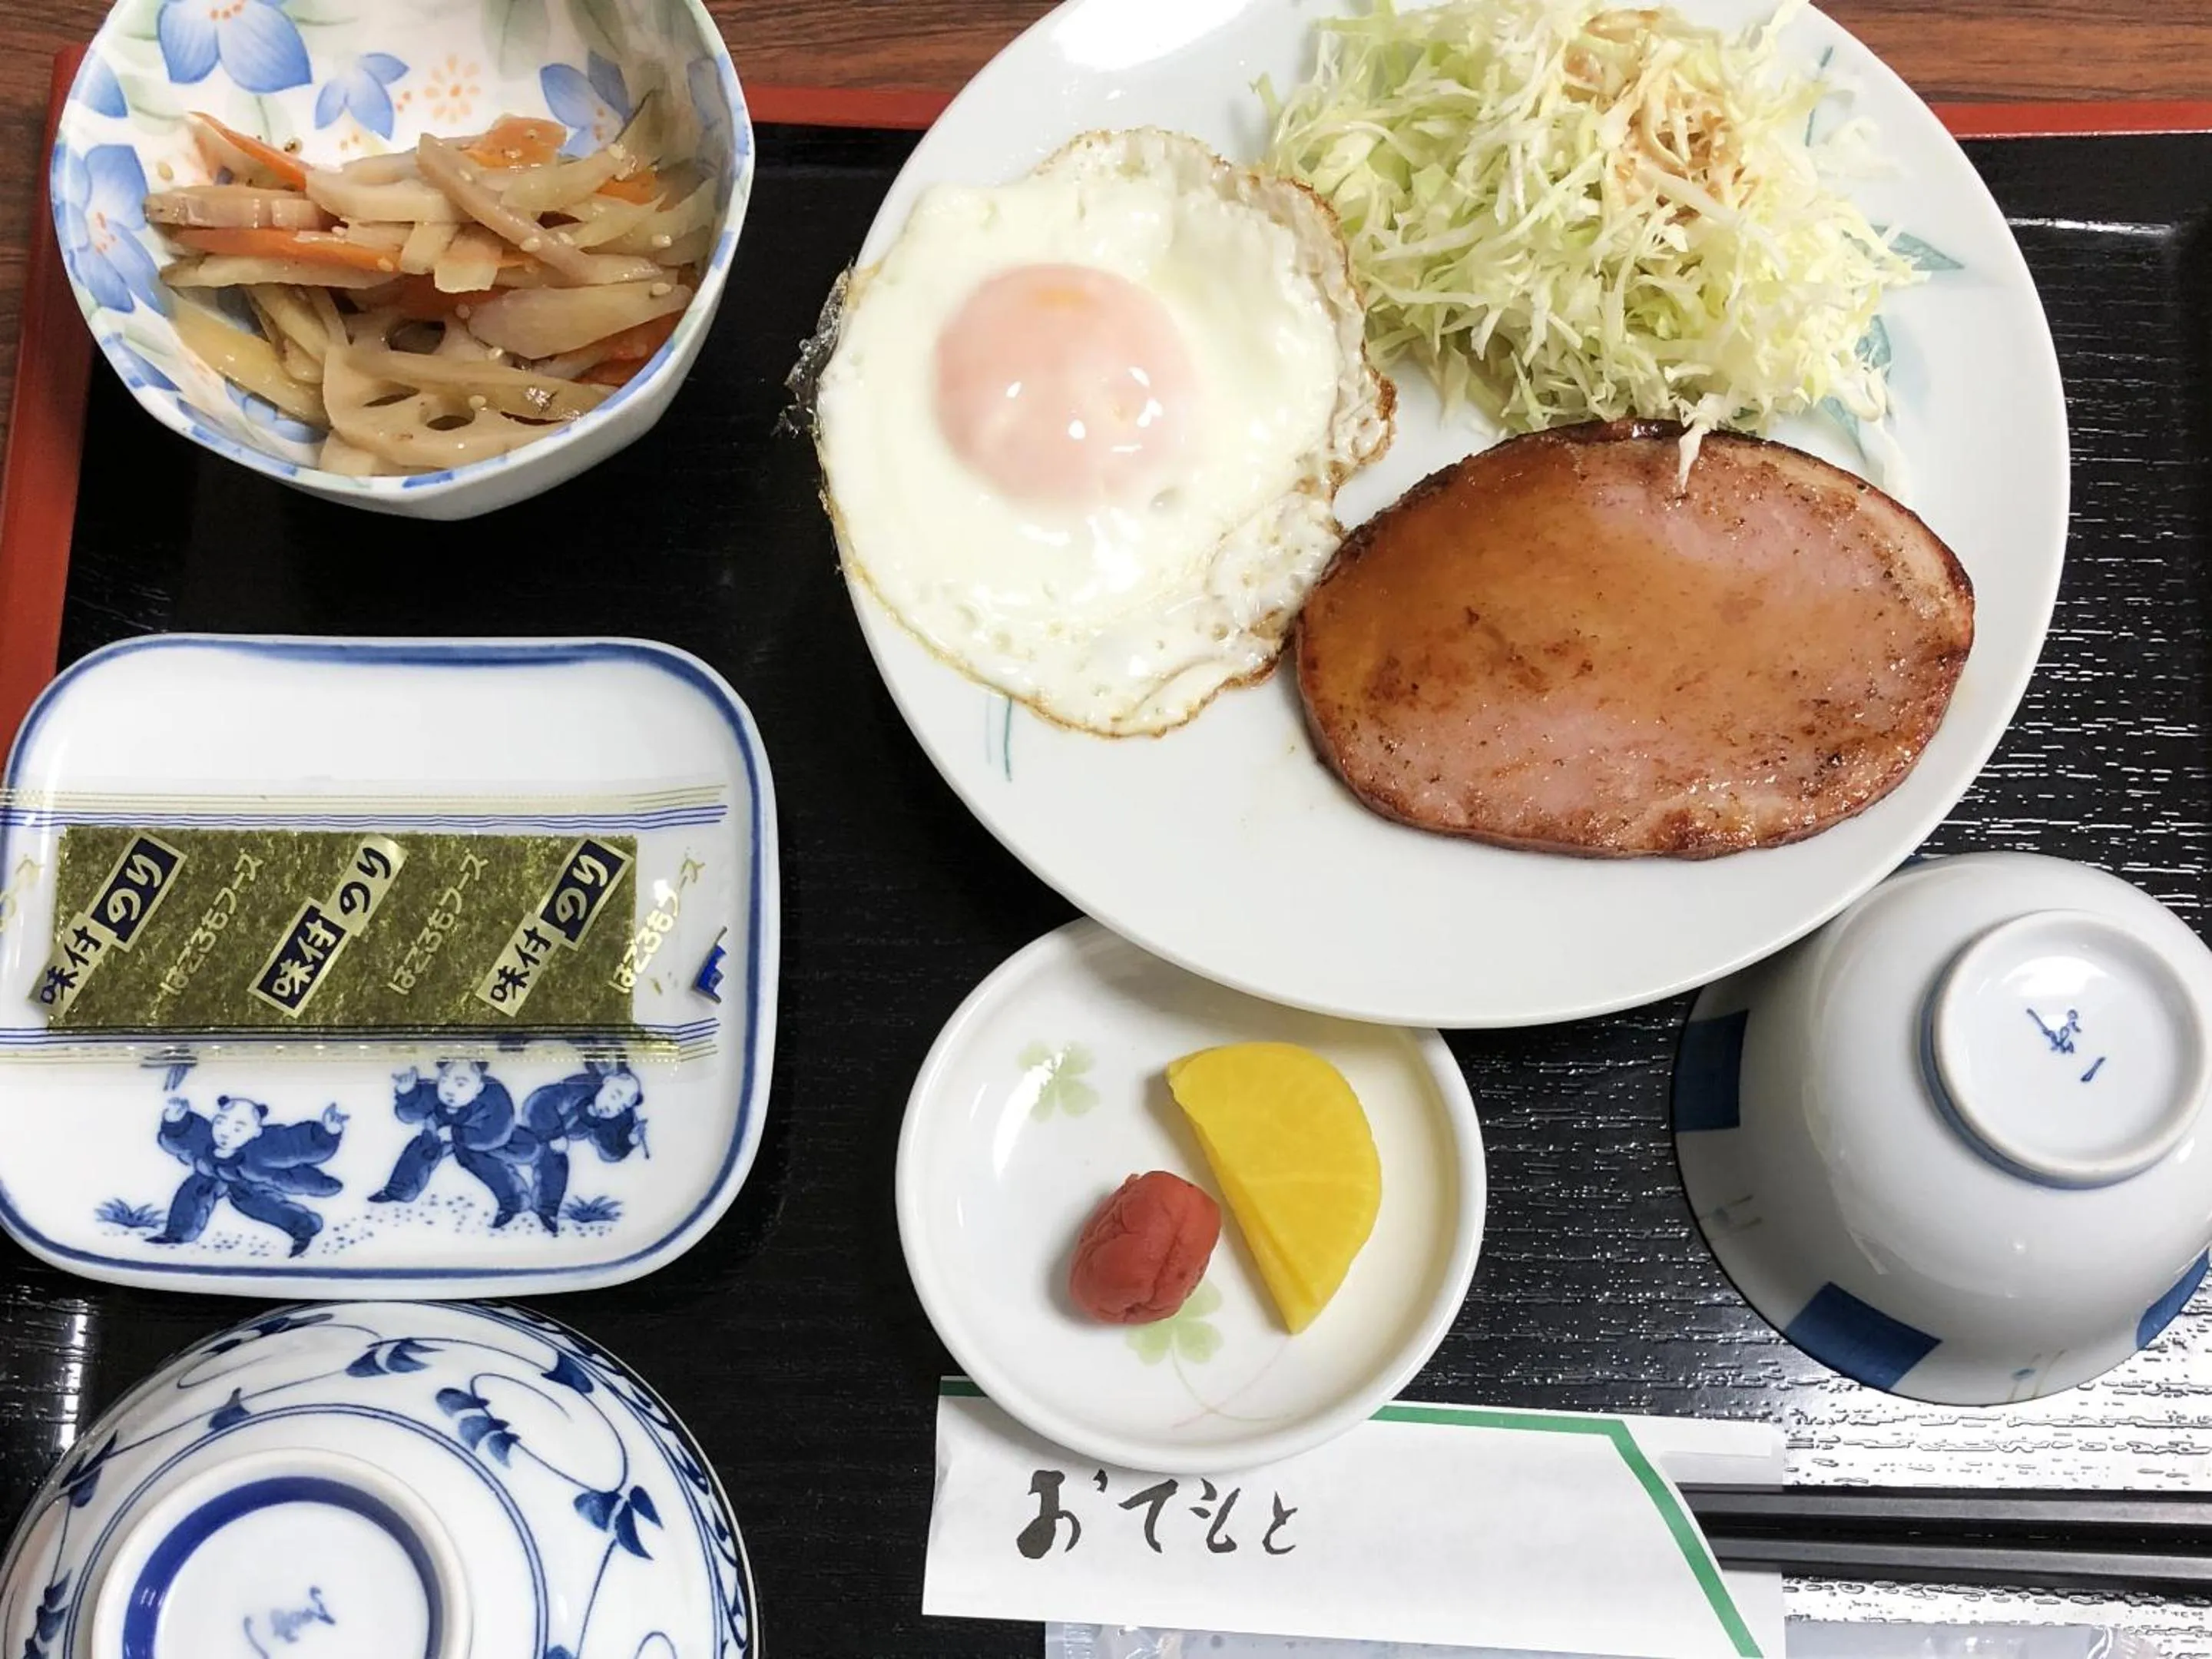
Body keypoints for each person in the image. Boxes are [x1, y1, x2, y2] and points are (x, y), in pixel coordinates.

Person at [151, 1094, 346, 1257]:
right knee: (192, 1194)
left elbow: (297, 1143)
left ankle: (304, 1229)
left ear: (256, 1133)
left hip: (248, 1184)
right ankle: (175, 1234)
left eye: (238, 1128)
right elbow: (184, 1134)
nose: (225, 1132)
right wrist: (174, 1120)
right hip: (208, 1177)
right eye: (220, 1122)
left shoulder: (265, 1149)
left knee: (266, 1206)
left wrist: (328, 1132)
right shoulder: (204, 1141)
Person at [366, 1059, 537, 1227]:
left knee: (492, 1169)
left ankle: (514, 1205)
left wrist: (458, 1135)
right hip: (443, 1135)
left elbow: (497, 1132)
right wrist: (407, 1093)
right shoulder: (435, 1091)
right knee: (419, 1150)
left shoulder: (494, 1097)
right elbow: (409, 1116)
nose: (449, 1091)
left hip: (479, 1142)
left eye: (461, 1084)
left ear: (479, 1087)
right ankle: (398, 1192)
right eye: (445, 1080)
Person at [519, 1061, 644, 1233]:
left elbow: (608, 1151)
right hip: (534, 1126)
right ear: (606, 1082)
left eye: (621, 1107)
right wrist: (553, 1134)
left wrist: (630, 1141)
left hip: (555, 1144)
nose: (614, 1107)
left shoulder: (608, 1119)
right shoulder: (577, 1089)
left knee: (556, 1165)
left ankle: (545, 1212)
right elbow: (538, 1102)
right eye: (615, 1096)